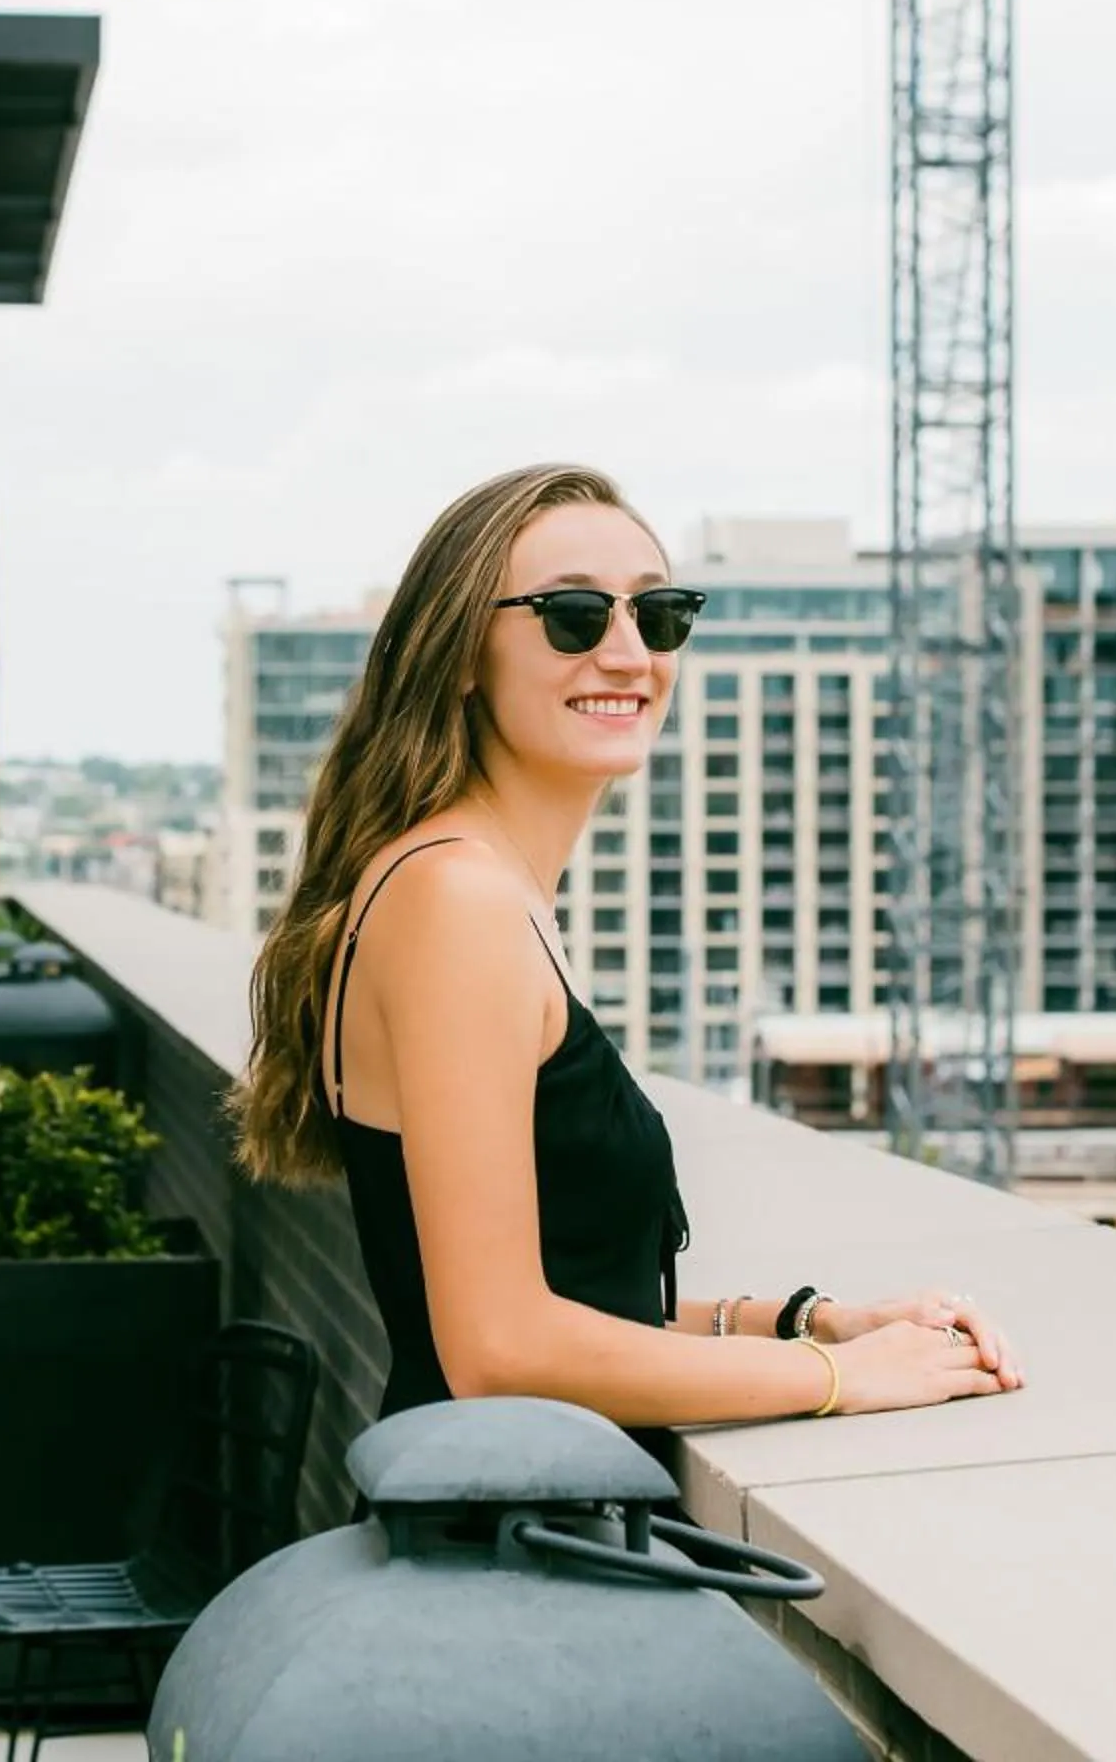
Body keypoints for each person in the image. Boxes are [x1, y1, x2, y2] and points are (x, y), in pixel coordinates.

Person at [227, 463, 1023, 1475]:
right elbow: (498, 1348)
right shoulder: (456, 901)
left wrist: (813, 1322)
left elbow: (578, 1302)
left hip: (522, 1511)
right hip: (513, 1537)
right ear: (461, 653)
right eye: (572, 616)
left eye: (658, 614)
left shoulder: (477, 886)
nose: (628, 652)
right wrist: (839, 1378)